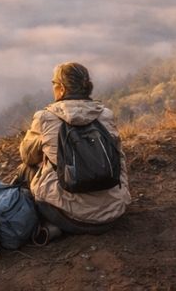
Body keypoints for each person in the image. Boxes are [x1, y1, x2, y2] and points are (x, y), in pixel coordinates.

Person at [18, 62, 130, 235]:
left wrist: (43, 144)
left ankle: (34, 222)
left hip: (70, 218)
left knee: (27, 169)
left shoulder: (45, 118)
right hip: (115, 211)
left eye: (54, 84)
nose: (53, 88)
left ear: (61, 89)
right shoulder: (106, 115)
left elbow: (27, 156)